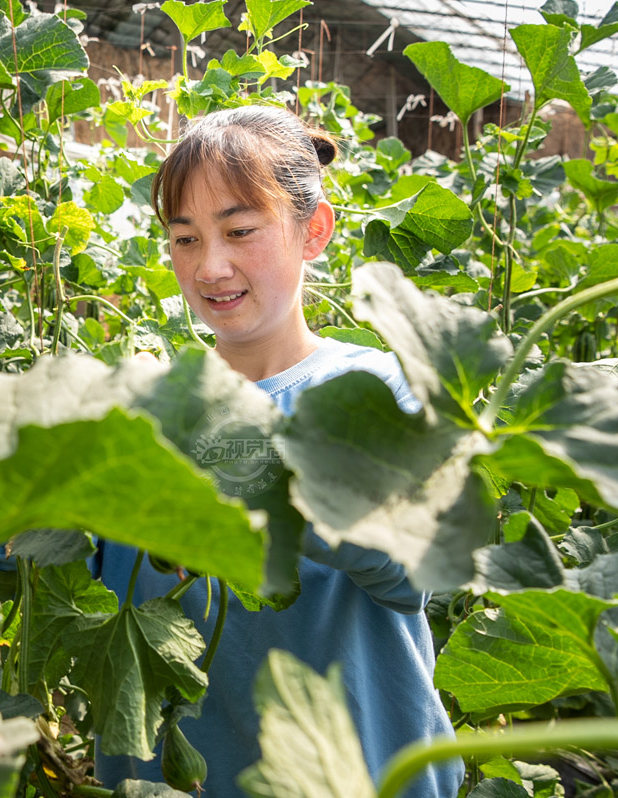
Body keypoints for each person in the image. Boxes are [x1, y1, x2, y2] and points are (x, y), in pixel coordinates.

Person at [91, 105, 464, 798]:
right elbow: (100, 579)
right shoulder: (154, 406)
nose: (211, 266)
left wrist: (253, 475)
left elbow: (412, 570)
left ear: (312, 230)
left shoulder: (375, 390)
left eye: (239, 231)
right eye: (185, 238)